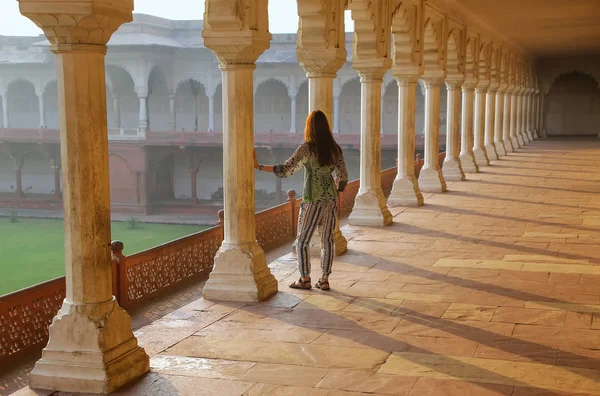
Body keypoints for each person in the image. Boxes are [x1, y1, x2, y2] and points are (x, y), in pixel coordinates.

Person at [253, 110, 348, 291]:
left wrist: (258, 166)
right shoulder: (335, 149)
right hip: (331, 199)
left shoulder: (307, 148)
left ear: (309, 127)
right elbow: (343, 177)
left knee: (303, 240)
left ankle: (305, 278)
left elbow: (286, 170)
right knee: (327, 241)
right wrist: (336, 190)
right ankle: (325, 279)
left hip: (312, 199)